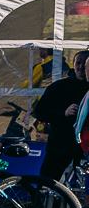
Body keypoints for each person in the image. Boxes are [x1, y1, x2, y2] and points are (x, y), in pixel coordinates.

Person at [33, 51, 89, 183]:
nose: (81, 67)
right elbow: (39, 112)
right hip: (60, 145)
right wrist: (63, 113)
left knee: (80, 186)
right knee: (48, 182)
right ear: (73, 64)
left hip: (84, 149)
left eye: (85, 65)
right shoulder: (59, 87)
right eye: (78, 63)